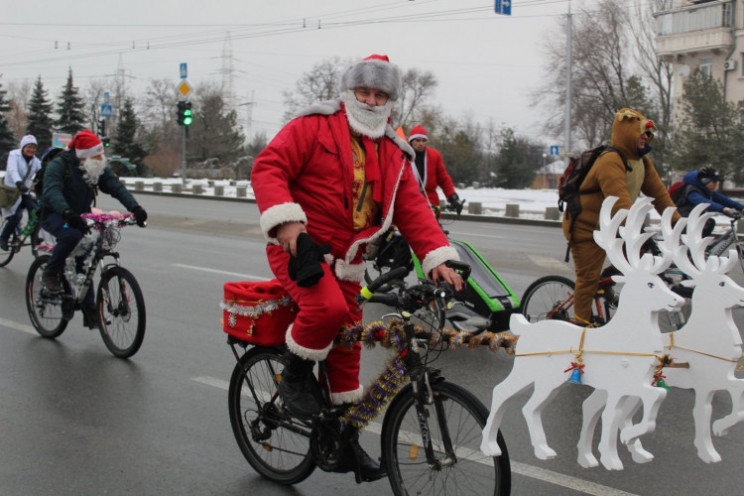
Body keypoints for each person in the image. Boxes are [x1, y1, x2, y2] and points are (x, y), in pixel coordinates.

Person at [251, 54, 463, 482]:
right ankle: (292, 379)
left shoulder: (394, 153)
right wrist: (290, 227)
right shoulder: (312, 126)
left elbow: (415, 211)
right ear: (349, 93)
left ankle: (341, 440)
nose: (370, 99)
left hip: (349, 264)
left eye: (379, 93)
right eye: (364, 91)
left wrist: (438, 258)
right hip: (300, 251)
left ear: (389, 100)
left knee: (347, 350)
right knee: (326, 311)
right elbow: (268, 168)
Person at [562, 108, 680, 325]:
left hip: (613, 225)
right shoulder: (610, 160)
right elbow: (619, 201)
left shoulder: (642, 162)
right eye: (641, 133)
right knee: (588, 278)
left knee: (644, 258)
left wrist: (678, 223)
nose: (646, 137)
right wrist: (635, 231)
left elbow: (660, 196)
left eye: (648, 134)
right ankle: (580, 328)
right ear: (627, 134)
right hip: (586, 227)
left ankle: (606, 282)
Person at [39, 129, 147, 328]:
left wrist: (135, 208)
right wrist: (67, 213)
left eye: (101, 153)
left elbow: (115, 186)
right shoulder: (59, 165)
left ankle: (89, 309)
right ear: (84, 155)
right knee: (72, 236)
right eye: (97, 154)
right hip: (54, 213)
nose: (101, 157)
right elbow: (52, 191)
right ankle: (51, 272)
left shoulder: (95, 167)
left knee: (88, 255)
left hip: (80, 214)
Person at [673, 167, 744, 237]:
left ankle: (698, 247)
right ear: (705, 180)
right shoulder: (691, 190)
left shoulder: (706, 190)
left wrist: (741, 207)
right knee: (707, 223)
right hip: (682, 220)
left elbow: (725, 200)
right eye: (714, 182)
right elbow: (703, 202)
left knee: (709, 223)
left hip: (693, 219)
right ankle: (692, 247)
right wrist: (723, 209)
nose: (716, 184)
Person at [407, 125, 463, 213]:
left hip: (430, 202)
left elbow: (443, 179)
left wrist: (453, 197)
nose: (421, 143)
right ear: (411, 141)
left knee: (435, 226)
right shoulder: (403, 156)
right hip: (409, 201)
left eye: (423, 140)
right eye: (417, 140)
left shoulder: (434, 156)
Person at [1, 135, 42, 251]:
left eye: (34, 147)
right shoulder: (14, 155)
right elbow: (12, 170)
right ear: (23, 147)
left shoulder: (35, 161)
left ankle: (33, 236)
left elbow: (41, 172)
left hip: (24, 192)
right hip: (11, 192)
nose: (31, 150)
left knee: (36, 211)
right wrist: (19, 182)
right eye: (29, 147)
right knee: (17, 216)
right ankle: (3, 238)